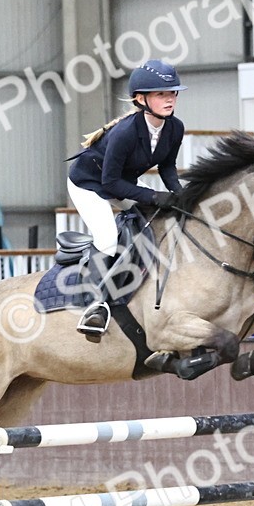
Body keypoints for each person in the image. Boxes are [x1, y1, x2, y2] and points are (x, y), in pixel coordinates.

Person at [66, 59, 187, 336]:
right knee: (107, 238)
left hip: (123, 182)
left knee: (161, 217)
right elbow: (109, 184)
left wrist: (181, 196)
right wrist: (154, 195)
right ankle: (95, 306)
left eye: (172, 93)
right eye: (161, 94)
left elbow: (167, 167)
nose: (170, 100)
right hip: (89, 185)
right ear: (141, 99)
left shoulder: (174, 128)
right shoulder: (125, 132)